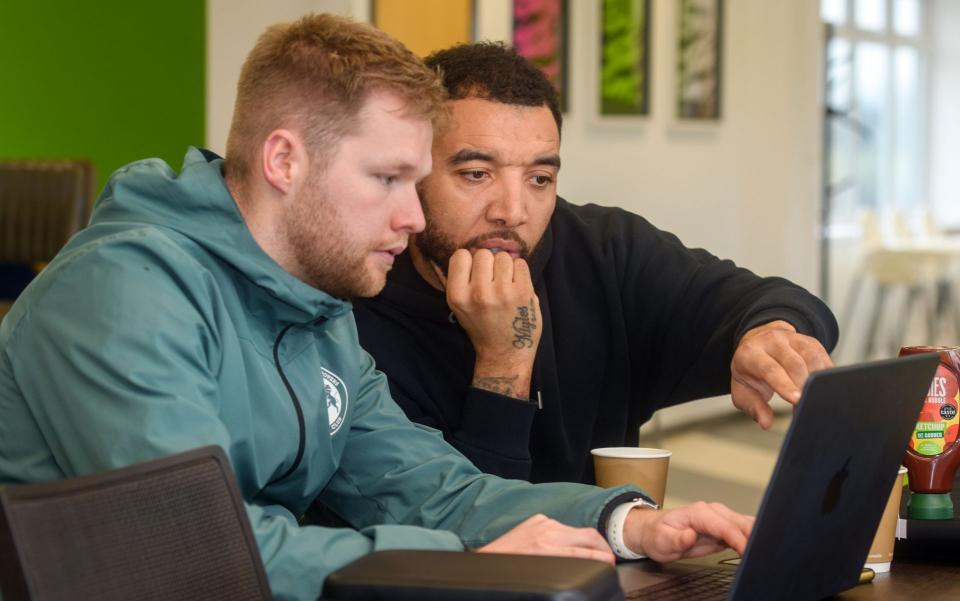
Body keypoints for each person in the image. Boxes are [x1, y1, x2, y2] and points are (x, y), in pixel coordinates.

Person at [0, 15, 753, 601]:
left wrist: (625, 523)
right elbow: (199, 549)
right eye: (388, 178)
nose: (413, 217)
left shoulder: (316, 308)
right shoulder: (124, 293)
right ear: (285, 160)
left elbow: (430, 486)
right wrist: (465, 562)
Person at [352, 42, 839, 484]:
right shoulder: (357, 299)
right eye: (477, 174)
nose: (512, 211)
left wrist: (771, 333)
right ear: (413, 169)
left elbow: (770, 300)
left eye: (539, 178)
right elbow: (461, 534)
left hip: (614, 562)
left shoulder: (605, 251)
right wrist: (504, 361)